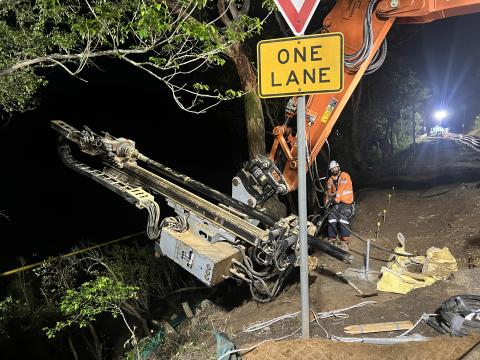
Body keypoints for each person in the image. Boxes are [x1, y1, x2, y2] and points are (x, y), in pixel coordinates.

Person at [324, 160, 354, 250]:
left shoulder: (344, 176)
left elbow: (340, 189)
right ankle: (332, 239)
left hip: (346, 203)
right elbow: (328, 193)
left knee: (343, 219)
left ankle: (345, 242)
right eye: (332, 169)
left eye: (335, 168)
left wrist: (336, 198)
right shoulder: (330, 180)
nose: (334, 170)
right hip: (336, 204)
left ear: (338, 167)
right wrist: (326, 202)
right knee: (331, 218)